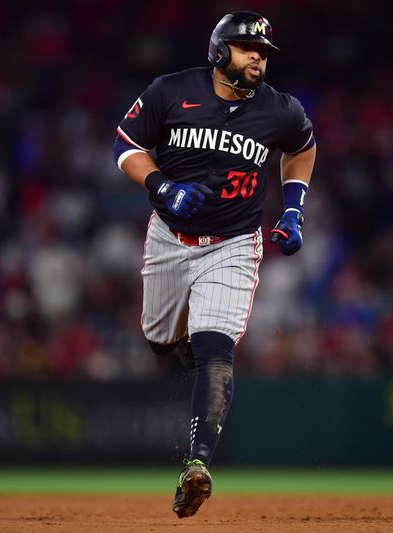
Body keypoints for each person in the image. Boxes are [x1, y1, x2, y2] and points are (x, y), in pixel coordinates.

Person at [112, 11, 316, 518]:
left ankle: (197, 465)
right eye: (249, 48)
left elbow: (302, 148)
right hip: (169, 237)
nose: (258, 58)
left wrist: (293, 208)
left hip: (233, 243)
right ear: (220, 50)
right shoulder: (170, 90)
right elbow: (126, 146)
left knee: (215, 349)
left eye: (264, 52)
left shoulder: (280, 110)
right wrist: (161, 185)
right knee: (159, 340)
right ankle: (179, 344)